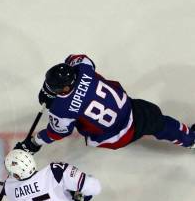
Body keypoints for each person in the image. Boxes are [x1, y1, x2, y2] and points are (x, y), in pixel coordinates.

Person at [16, 54, 194, 152]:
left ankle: (188, 139)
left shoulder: (61, 110)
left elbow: (57, 132)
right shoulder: (83, 69)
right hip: (128, 111)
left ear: (64, 89)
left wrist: (34, 143)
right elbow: (76, 58)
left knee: (157, 121)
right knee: (159, 122)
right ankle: (189, 139)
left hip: (114, 135)